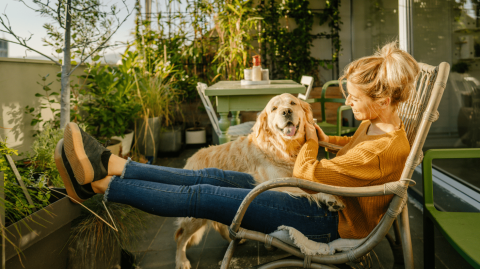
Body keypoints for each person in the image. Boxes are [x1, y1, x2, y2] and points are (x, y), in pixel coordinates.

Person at [55, 41, 418, 242]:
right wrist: (326, 137)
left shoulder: (383, 147)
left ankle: (100, 184)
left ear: (383, 99)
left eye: (354, 97)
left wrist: (309, 139)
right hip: (305, 196)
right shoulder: (380, 126)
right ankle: (113, 163)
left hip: (321, 218)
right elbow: (352, 149)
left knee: (202, 198)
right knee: (204, 177)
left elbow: (311, 175)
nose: (348, 102)